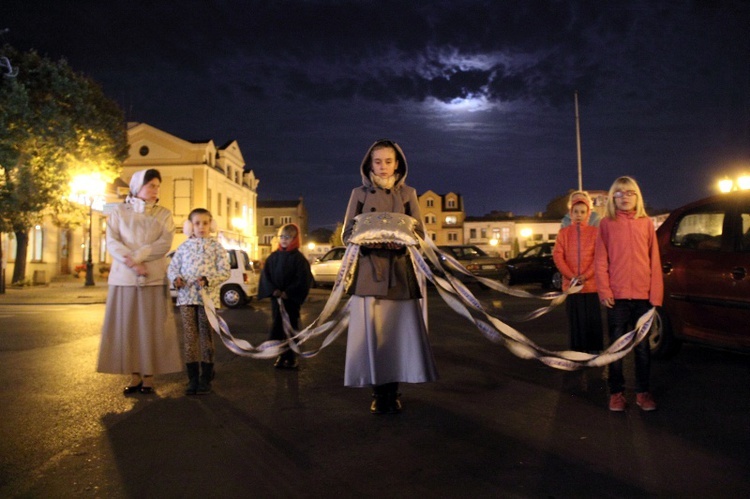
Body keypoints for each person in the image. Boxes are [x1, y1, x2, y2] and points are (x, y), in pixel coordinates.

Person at [342, 139, 439, 415]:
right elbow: (347, 234)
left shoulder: (409, 193)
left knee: (396, 336)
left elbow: (419, 233)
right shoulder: (358, 194)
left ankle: (393, 391)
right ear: (369, 164)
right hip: (369, 275)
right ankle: (378, 392)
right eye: (377, 161)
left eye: (388, 161)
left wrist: (405, 241)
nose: (383, 167)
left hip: (398, 273)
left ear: (398, 163)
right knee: (373, 336)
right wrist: (366, 241)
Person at [97, 169, 182, 394]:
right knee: (128, 329)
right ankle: (134, 376)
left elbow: (164, 243)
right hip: (123, 279)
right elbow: (112, 241)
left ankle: (149, 378)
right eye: (151, 185)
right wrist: (133, 264)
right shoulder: (118, 213)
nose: (156, 190)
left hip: (151, 277)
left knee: (151, 329)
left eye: (157, 186)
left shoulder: (163, 214)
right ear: (137, 187)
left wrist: (138, 257)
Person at [595, 176, 663, 412]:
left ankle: (643, 392)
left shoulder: (646, 223)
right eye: (619, 193)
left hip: (643, 298)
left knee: (643, 349)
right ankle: (616, 393)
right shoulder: (606, 224)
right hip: (617, 298)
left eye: (630, 192)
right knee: (616, 347)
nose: (625, 197)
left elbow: (654, 259)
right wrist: (604, 290)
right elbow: (600, 260)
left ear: (638, 196)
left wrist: (655, 296)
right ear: (612, 197)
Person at [167, 208, 231, 395]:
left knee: (206, 336)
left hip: (207, 299)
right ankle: (192, 377)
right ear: (190, 226)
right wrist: (176, 278)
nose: (201, 227)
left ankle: (206, 375)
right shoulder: (183, 247)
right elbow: (172, 268)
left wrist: (209, 279)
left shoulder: (217, 247)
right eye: (197, 223)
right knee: (189, 337)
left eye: (205, 223)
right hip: (186, 298)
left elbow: (225, 271)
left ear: (211, 224)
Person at [552, 191, 603, 353]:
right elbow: (558, 255)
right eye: (576, 212)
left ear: (588, 213)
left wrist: (586, 275)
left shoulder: (595, 233)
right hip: (572, 286)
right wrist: (570, 275)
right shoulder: (564, 233)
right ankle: (577, 350)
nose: (579, 215)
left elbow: (599, 256)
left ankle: (594, 350)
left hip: (591, 286)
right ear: (570, 213)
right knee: (576, 320)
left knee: (592, 319)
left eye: (583, 212)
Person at [257, 223, 312, 370]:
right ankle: (281, 355)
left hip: (291, 301)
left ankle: (292, 357)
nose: (284, 240)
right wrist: (273, 290)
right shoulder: (273, 257)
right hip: (277, 300)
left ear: (294, 239)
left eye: (287, 237)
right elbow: (266, 276)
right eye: (281, 236)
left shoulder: (299, 259)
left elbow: (303, 279)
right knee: (278, 327)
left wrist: (289, 292)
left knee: (291, 328)